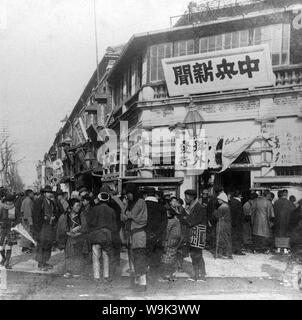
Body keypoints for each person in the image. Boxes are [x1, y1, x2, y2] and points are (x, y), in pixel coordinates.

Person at [122, 183, 148, 292]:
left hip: (139, 234)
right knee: (133, 259)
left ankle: (143, 283)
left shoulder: (140, 202)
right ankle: (137, 282)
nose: (128, 196)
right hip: (131, 235)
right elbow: (123, 216)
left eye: (129, 193)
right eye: (127, 194)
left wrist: (127, 214)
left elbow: (130, 214)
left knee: (139, 259)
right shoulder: (129, 203)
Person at [87, 188, 117, 283]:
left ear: (99, 199)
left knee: (95, 256)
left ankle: (96, 276)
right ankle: (106, 276)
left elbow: (90, 223)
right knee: (106, 256)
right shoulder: (111, 210)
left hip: (96, 235)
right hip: (107, 235)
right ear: (107, 200)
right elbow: (114, 226)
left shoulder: (94, 209)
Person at [57, 198, 88, 278]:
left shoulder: (81, 215)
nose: (78, 207)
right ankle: (69, 271)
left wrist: (78, 231)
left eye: (79, 206)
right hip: (68, 239)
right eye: (77, 206)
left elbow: (85, 227)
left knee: (78, 255)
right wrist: (68, 232)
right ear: (71, 206)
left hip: (79, 238)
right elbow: (61, 228)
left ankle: (76, 271)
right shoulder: (64, 216)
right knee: (69, 255)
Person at [183, 189, 207, 282]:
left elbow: (192, 221)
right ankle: (196, 275)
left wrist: (186, 217)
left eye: (186, 196)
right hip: (193, 234)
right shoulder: (192, 206)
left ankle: (202, 275)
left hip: (198, 234)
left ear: (191, 197)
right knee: (194, 254)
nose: (185, 198)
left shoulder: (199, 207)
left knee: (197, 255)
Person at [145, 187, 167, 278]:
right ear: (155, 195)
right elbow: (164, 222)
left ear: (145, 195)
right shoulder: (161, 207)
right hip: (157, 236)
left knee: (145, 255)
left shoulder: (143, 205)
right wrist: (157, 234)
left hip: (145, 234)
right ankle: (154, 276)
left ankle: (144, 276)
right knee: (155, 257)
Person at [34, 185, 57, 271]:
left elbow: (55, 212)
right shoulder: (39, 201)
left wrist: (54, 217)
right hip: (42, 226)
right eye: (48, 192)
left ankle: (45, 261)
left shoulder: (51, 202)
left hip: (50, 226)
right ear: (44, 193)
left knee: (48, 244)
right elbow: (36, 215)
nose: (49, 194)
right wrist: (44, 218)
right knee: (42, 244)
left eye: (50, 192)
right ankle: (40, 263)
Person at [160, 207, 181, 282]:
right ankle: (171, 274)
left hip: (170, 241)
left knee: (166, 258)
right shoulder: (176, 221)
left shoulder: (170, 221)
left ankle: (167, 275)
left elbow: (167, 232)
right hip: (175, 241)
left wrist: (164, 241)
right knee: (172, 258)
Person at [251, 189, 274, 253]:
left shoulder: (256, 201)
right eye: (269, 194)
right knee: (264, 235)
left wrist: (252, 220)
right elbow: (272, 214)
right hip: (265, 222)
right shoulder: (268, 202)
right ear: (268, 195)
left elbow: (252, 211)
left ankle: (256, 248)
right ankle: (264, 249)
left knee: (256, 235)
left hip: (256, 221)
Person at [274, 189, 296, 254]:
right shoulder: (290, 203)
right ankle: (285, 248)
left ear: (281, 194)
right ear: (286, 194)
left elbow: (273, 213)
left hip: (278, 222)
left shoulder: (276, 202)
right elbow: (294, 213)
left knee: (278, 234)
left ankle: (278, 248)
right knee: (286, 234)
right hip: (287, 222)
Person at [171, 197, 189, 273]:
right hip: (178, 232)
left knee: (180, 251)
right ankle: (177, 266)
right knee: (177, 251)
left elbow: (183, 219)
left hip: (181, 232)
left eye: (176, 202)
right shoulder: (175, 210)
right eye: (174, 201)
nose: (175, 203)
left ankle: (179, 266)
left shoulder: (181, 210)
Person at [0, 195, 18, 269]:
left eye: (11, 201)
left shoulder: (15, 209)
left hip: (11, 230)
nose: (9, 202)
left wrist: (15, 223)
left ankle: (7, 262)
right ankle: (3, 258)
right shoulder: (2, 209)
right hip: (2, 230)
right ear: (5, 201)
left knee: (9, 247)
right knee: (1, 248)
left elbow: (18, 219)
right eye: (8, 201)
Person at [214, 192, 232, 259]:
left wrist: (215, 212)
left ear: (223, 199)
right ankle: (228, 254)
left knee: (221, 238)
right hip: (226, 224)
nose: (218, 200)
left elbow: (217, 216)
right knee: (227, 239)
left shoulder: (222, 207)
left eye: (219, 199)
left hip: (222, 224)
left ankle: (220, 254)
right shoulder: (226, 206)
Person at [229, 190, 245, 255]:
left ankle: (233, 250)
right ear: (239, 195)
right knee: (238, 237)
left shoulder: (231, 202)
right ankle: (238, 251)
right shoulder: (238, 203)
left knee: (233, 236)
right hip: (238, 223)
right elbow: (239, 214)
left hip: (232, 222)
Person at [20, 189, 35, 253]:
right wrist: (31, 221)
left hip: (24, 218)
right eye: (32, 193)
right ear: (29, 194)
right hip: (28, 219)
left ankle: (24, 247)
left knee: (25, 233)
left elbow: (22, 210)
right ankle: (26, 248)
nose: (33, 195)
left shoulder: (24, 200)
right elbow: (29, 211)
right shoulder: (29, 201)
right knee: (28, 233)